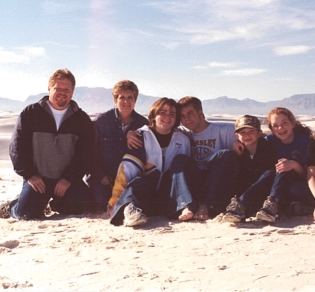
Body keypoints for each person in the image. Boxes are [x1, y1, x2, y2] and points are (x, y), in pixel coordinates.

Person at [0, 68, 93, 220]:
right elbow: (17, 147)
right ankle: (10, 208)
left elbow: (85, 154)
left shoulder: (81, 119)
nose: (62, 92)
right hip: (38, 180)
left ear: (73, 92)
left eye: (66, 89)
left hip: (66, 181)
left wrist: (68, 178)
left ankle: (52, 205)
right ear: (49, 89)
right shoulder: (31, 113)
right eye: (58, 88)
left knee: (88, 206)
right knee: (26, 214)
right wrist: (30, 175)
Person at [127, 96, 240, 221]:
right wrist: (131, 133)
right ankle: (185, 206)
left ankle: (205, 206)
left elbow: (255, 134)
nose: (186, 119)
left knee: (225, 154)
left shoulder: (223, 130)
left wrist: (236, 141)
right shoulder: (181, 132)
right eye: (182, 116)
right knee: (180, 159)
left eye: (190, 113)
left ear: (200, 112)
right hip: (194, 181)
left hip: (214, 181)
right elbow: (157, 128)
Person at [109, 97, 196, 227]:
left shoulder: (183, 140)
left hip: (169, 198)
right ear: (154, 115)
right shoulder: (140, 137)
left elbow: (185, 174)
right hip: (146, 196)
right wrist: (115, 200)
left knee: (181, 164)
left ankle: (184, 206)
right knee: (138, 181)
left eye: (172, 114)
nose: (167, 117)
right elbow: (127, 170)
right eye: (163, 112)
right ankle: (130, 211)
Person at [87, 80, 148, 212]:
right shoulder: (101, 122)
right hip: (103, 178)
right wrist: (101, 176)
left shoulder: (143, 124)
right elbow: (90, 155)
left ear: (135, 100)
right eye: (122, 98)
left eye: (130, 97)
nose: (126, 102)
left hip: (129, 179)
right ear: (115, 100)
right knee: (100, 202)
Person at [260, 107, 314, 222]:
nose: (280, 128)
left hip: (303, 186)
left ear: (293, 124)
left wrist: (295, 165)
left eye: (284, 123)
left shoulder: (305, 142)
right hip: (279, 186)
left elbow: (311, 176)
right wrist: (237, 142)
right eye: (275, 126)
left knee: (284, 171)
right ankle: (242, 204)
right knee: (270, 174)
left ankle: (272, 205)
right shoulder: (270, 140)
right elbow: (252, 138)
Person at [220, 115, 277, 224]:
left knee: (270, 173)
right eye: (243, 132)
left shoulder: (268, 148)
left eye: (251, 131)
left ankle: (240, 206)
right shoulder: (238, 152)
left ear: (259, 133)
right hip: (243, 191)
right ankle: (237, 208)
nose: (247, 136)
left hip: (262, 192)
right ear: (236, 135)